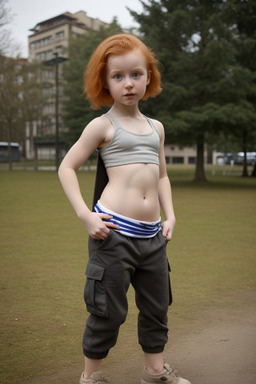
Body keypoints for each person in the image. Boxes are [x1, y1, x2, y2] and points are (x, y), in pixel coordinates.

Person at [58, 33, 191, 384]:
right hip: (113, 235)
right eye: (118, 77)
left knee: (156, 309)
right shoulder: (102, 126)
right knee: (106, 311)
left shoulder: (156, 128)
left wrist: (171, 215)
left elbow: (161, 176)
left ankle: (155, 372)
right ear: (104, 81)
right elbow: (66, 167)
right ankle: (92, 377)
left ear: (149, 76)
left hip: (153, 238)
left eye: (135, 74)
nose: (128, 84)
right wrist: (85, 215)